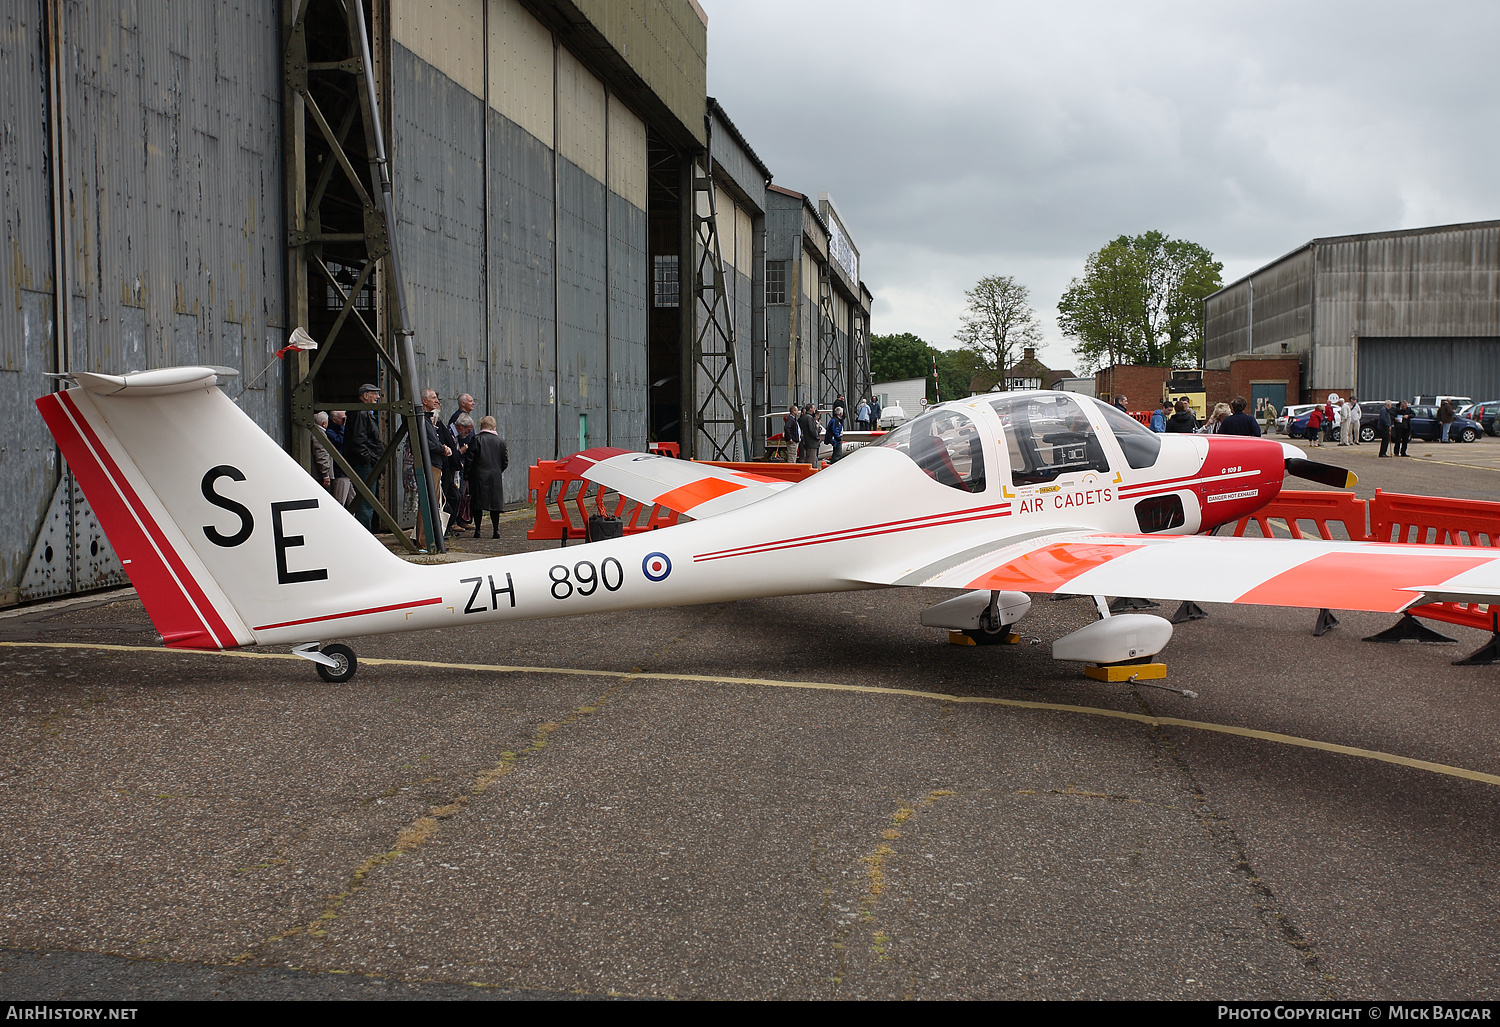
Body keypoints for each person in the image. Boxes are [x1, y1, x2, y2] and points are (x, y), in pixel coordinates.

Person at [346, 383, 384, 531]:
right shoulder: (361, 413)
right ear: (365, 396)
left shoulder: (364, 412)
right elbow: (358, 440)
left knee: (366, 501)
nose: (378, 397)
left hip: (366, 462)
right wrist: (367, 460)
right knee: (365, 502)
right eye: (374, 394)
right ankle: (365, 534)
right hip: (364, 464)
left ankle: (365, 532)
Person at [465, 414, 509, 538]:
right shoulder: (501, 442)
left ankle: (478, 530)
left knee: (477, 505)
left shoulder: (476, 439)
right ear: (493, 427)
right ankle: (496, 530)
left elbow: (470, 459)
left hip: (478, 476)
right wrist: (497, 470)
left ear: (482, 426)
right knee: (495, 506)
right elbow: (505, 461)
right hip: (495, 477)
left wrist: (467, 475)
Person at [326, 410, 353, 507]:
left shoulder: (342, 430)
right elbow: (340, 441)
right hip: (340, 471)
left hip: (347, 470)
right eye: (342, 419)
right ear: (334, 420)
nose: (344, 421)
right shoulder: (329, 432)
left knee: (353, 501)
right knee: (340, 501)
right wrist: (344, 427)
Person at [310, 411, 335, 490]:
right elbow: (321, 454)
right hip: (319, 475)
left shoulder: (313, 432)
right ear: (324, 423)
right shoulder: (319, 434)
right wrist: (326, 475)